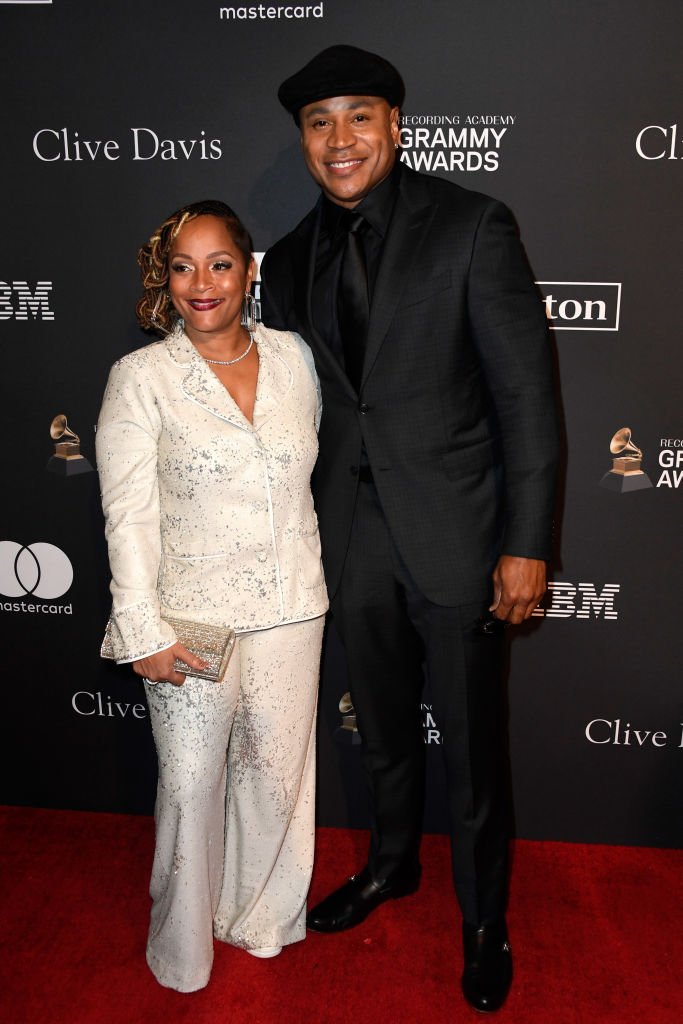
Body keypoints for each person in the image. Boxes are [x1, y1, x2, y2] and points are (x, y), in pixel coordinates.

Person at [260, 46, 559, 1013]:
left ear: (395, 125)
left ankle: (482, 919)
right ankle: (393, 865)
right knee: (382, 731)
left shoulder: (472, 225)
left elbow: (526, 398)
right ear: (301, 140)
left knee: (471, 747)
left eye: (358, 117)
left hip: (459, 535)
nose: (338, 140)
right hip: (345, 536)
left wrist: (527, 542)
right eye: (318, 123)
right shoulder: (292, 257)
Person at [97, 199, 328, 992]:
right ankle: (183, 946)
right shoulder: (141, 379)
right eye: (184, 266)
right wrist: (141, 628)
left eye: (219, 263)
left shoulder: (296, 357)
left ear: (248, 269)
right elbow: (127, 514)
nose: (203, 283)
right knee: (191, 784)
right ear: (166, 279)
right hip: (188, 616)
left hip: (294, 605)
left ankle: (260, 917)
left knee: (277, 776)